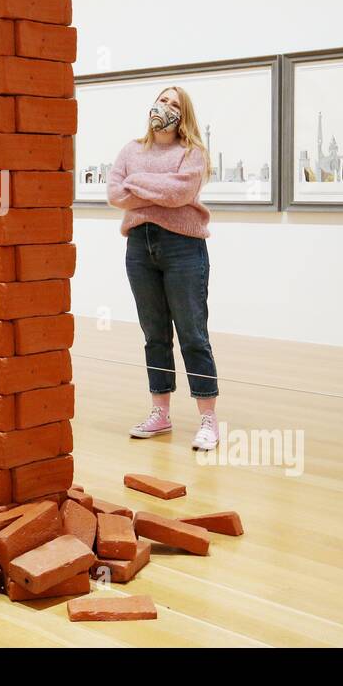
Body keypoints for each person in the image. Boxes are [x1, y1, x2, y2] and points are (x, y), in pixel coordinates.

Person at [106, 85, 220, 449]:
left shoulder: (193, 152)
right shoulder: (130, 149)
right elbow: (114, 194)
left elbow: (181, 194)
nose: (165, 107)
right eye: (162, 100)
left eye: (174, 103)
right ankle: (161, 413)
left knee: (192, 334)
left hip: (183, 246)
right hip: (140, 246)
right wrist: (156, 188)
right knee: (154, 333)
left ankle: (208, 419)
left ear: (183, 114)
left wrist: (136, 182)